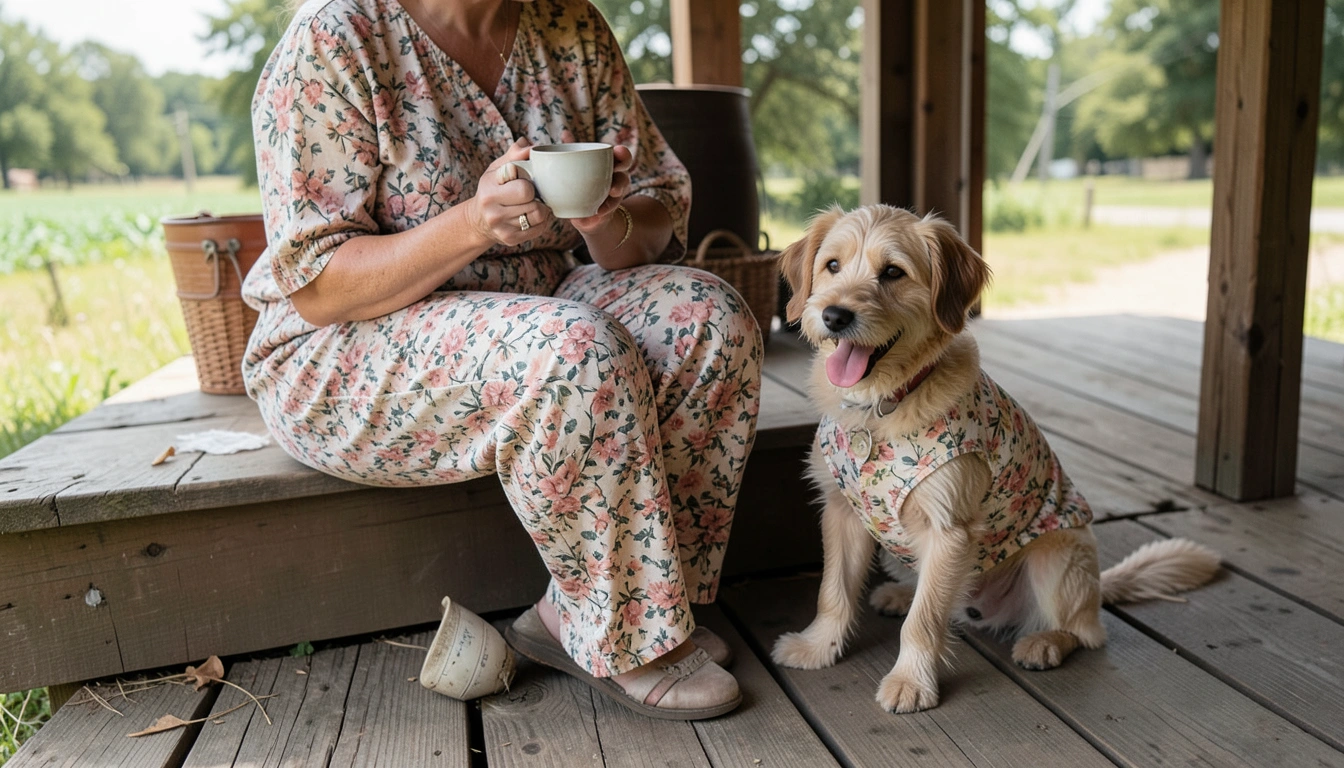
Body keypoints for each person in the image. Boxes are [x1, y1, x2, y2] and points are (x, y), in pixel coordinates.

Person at [243, 0, 763, 719]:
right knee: (575, 350)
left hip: (541, 299)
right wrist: (473, 224)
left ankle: (594, 610)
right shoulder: (339, 35)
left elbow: (654, 214)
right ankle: (630, 637)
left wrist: (602, 217)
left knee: (712, 316)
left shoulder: (569, 25)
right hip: (349, 347)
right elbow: (321, 288)